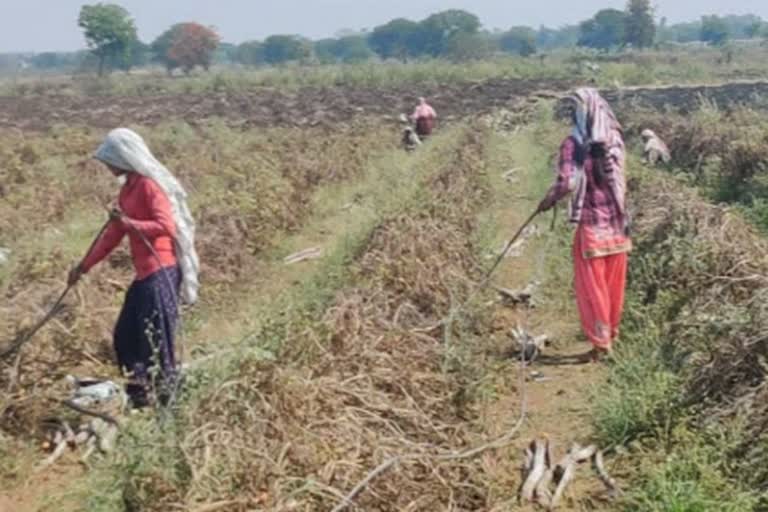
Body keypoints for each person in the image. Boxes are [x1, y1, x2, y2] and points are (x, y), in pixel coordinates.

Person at [68, 128, 200, 406]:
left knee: (159, 343)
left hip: (161, 272)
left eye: (109, 161)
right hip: (145, 276)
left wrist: (130, 224)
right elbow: (112, 236)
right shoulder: (127, 191)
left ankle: (169, 403)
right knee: (125, 337)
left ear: (123, 158)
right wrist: (84, 266)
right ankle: (139, 396)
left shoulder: (149, 187)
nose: (107, 167)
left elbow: (166, 225)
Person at [538, 88, 631, 361]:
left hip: (591, 228)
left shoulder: (573, 144)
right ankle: (611, 334)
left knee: (592, 288)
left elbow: (568, 182)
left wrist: (548, 200)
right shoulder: (615, 138)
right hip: (617, 226)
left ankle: (601, 344)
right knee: (614, 285)